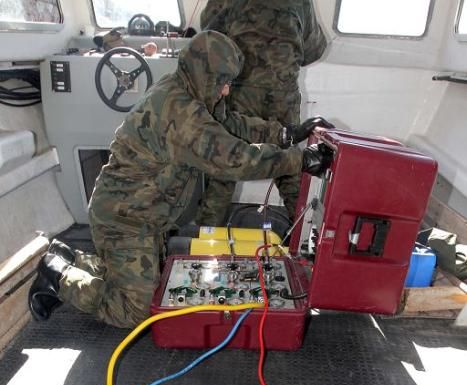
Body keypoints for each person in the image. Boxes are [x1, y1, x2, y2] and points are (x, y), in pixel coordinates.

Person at [29, 31, 326, 329]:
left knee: (150, 279)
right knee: (135, 310)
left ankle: (72, 258)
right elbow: (235, 159)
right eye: (223, 82)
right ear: (206, 75)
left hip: (144, 215)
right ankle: (58, 276)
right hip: (125, 219)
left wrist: (285, 134)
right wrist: (301, 160)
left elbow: (230, 123)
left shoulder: (189, 89)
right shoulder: (179, 112)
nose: (225, 91)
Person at [197, 0, 329, 226]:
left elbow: (210, 32)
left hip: (239, 88)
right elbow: (314, 48)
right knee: (290, 165)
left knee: (225, 162)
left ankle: (207, 237)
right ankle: (302, 235)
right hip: (282, 93)